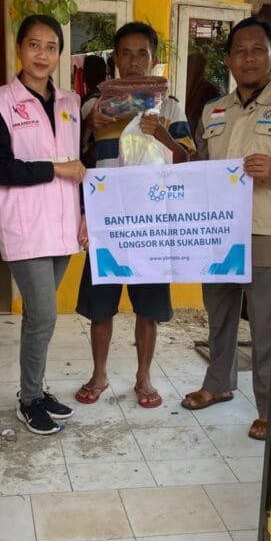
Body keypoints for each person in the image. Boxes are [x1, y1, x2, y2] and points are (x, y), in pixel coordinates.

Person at [181, 16, 271, 440]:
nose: (249, 58)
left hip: (265, 231)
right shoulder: (212, 110)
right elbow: (201, 169)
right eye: (239, 50)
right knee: (218, 314)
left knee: (264, 324)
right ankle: (218, 383)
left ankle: (267, 407)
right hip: (217, 233)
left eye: (258, 49)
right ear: (228, 59)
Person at [75, 21, 195, 409]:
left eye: (141, 52)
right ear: (114, 59)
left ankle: (144, 378)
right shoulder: (95, 106)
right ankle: (99, 374)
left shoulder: (170, 106)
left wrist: (161, 133)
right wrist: (88, 128)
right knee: (100, 307)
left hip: (151, 225)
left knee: (148, 308)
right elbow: (74, 157)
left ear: (153, 59)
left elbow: (188, 160)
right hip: (107, 222)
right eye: (124, 53)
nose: (132, 60)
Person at [0, 14, 85, 436]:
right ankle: (28, 400)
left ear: (60, 53)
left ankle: (37, 391)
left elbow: (78, 166)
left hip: (62, 226)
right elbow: (0, 168)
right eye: (34, 45)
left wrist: (82, 214)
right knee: (43, 314)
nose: (42, 55)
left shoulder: (69, 103)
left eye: (51, 47)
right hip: (24, 227)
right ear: (19, 48)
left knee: (39, 318)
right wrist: (57, 169)